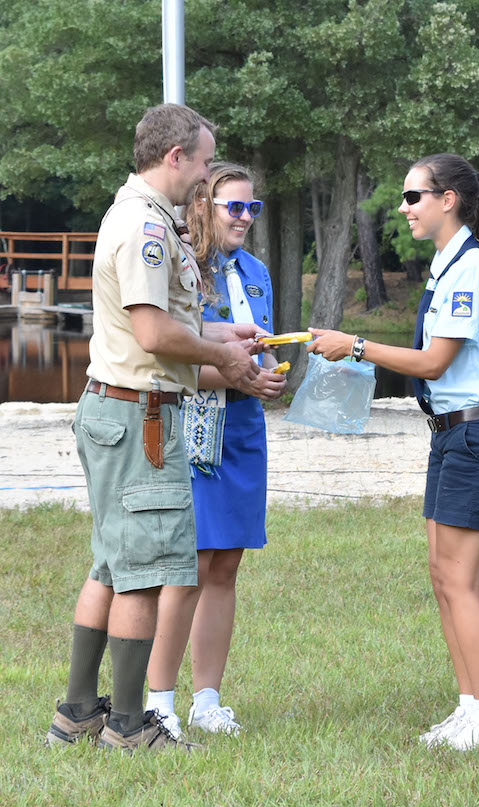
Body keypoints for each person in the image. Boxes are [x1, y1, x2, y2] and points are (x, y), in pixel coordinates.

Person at [45, 104, 261, 752]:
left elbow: (168, 317)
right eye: (201, 161)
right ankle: (131, 725)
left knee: (111, 564)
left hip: (119, 405)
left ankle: (79, 710)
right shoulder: (144, 223)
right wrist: (222, 356)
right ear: (175, 157)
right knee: (141, 571)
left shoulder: (142, 214)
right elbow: (152, 331)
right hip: (142, 414)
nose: (205, 176)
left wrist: (226, 330)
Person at [307, 153, 479, 751]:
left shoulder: (472, 268)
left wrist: (355, 345)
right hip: (451, 435)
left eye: (413, 197)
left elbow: (434, 362)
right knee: (442, 576)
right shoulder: (445, 264)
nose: (403, 208)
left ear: (447, 199)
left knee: (462, 582)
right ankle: (469, 708)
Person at [145, 163, 286, 739]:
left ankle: (208, 700)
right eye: (235, 207)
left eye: (253, 208)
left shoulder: (255, 272)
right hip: (192, 428)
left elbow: (263, 346)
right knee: (190, 568)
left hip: (243, 432)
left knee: (227, 564)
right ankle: (159, 701)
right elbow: (165, 358)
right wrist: (236, 377)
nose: (246, 219)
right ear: (203, 206)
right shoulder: (181, 269)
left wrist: (272, 373)